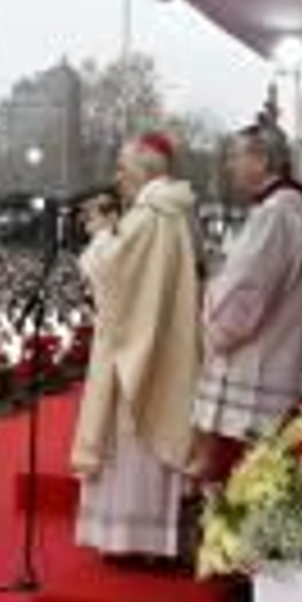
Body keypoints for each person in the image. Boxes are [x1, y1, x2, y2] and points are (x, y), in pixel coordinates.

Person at [71, 133, 200, 562]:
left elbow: (110, 275)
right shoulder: (173, 212)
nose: (117, 176)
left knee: (132, 444)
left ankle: (133, 541)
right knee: (140, 444)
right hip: (157, 341)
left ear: (146, 169)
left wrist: (98, 233)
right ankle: (148, 540)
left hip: (136, 353)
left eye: (123, 167)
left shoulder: (148, 216)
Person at [193, 121, 302, 487]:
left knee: (247, 477)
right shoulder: (297, 205)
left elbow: (247, 290)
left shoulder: (275, 213)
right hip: (284, 350)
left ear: (261, 159)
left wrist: (208, 295)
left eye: (235, 157)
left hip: (264, 361)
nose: (230, 166)